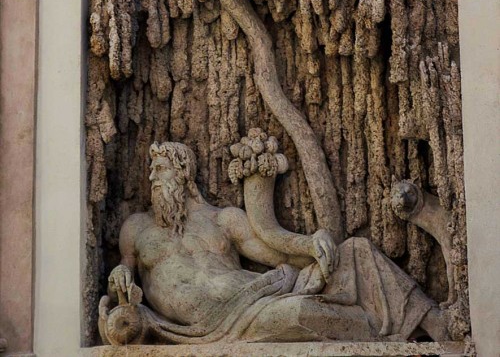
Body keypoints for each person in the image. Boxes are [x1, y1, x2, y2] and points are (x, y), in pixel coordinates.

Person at [98, 140, 449, 345]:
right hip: (208, 325)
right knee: (299, 312)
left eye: (160, 169)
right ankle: (386, 331)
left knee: (354, 251)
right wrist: (119, 278)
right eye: (150, 172)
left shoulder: (223, 219)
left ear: (183, 173)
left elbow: (273, 250)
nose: (151, 178)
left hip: (257, 296)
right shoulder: (137, 228)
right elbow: (122, 278)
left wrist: (311, 245)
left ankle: (434, 323)